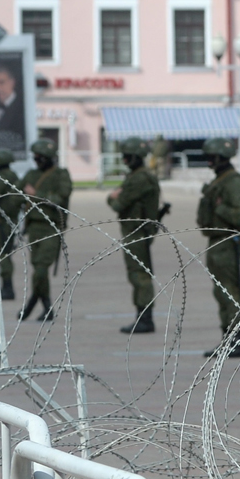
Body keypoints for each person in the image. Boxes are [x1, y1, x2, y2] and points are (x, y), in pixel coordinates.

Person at [197, 138, 240, 359]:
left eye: (212, 158)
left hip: (228, 241)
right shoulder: (220, 180)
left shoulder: (233, 182)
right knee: (222, 292)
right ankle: (228, 337)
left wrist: (220, 208)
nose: (209, 162)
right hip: (217, 241)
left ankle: (236, 340)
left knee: (230, 292)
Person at [106, 137, 163, 334]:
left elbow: (119, 203)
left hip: (136, 231)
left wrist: (111, 197)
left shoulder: (139, 178)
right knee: (137, 273)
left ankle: (145, 318)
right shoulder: (140, 176)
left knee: (139, 275)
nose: (125, 161)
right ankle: (143, 316)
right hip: (136, 230)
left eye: (128, 157)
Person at [19, 137, 73, 320]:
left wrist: (37, 195)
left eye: (40, 157)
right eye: (35, 158)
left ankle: (36, 304)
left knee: (41, 269)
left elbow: (61, 198)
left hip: (51, 228)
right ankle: (45, 307)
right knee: (37, 268)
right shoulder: (31, 175)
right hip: (34, 228)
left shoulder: (61, 175)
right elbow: (17, 192)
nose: (37, 161)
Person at [0, 149, 22, 301]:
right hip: (11, 220)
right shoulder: (14, 176)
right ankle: (6, 287)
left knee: (2, 255)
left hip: (2, 222)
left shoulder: (2, 179)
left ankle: (7, 287)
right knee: (5, 253)